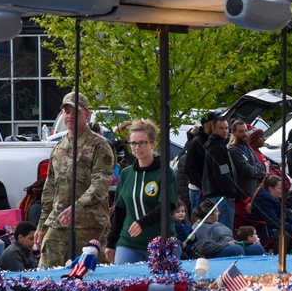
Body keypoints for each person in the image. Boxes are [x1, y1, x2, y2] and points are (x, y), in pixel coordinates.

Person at [35, 93, 116, 269]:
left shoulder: (99, 145)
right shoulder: (59, 147)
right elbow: (50, 188)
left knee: (93, 278)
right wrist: (42, 224)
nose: (70, 116)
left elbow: (101, 184)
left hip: (90, 225)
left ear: (87, 114)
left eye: (75, 112)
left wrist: (78, 207)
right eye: (66, 111)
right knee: (46, 274)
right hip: (58, 222)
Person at [107, 119, 178, 265]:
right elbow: (120, 211)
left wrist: (142, 223)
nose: (137, 147)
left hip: (160, 241)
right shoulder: (126, 174)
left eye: (142, 143)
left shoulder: (165, 172)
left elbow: (167, 205)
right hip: (128, 243)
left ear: (152, 144)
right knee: (122, 283)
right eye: (133, 143)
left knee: (161, 285)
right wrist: (111, 242)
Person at [201, 116, 241, 232]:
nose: (225, 131)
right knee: (225, 230)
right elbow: (222, 171)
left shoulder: (217, 145)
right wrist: (231, 191)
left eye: (227, 128)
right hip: (221, 195)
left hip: (218, 193)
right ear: (214, 129)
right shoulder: (217, 147)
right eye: (221, 128)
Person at [249, 174, 292, 248]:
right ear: (271, 188)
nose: (282, 191)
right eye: (280, 188)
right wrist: (291, 229)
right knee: (285, 235)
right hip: (264, 230)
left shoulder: (276, 198)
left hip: (274, 227)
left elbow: (285, 215)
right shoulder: (263, 200)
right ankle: (279, 256)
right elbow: (272, 220)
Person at [229, 119, 266, 204]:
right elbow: (248, 171)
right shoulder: (233, 151)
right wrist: (255, 170)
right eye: (241, 131)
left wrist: (254, 170)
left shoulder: (248, 148)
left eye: (246, 130)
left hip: (253, 194)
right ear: (234, 133)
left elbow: (261, 168)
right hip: (243, 196)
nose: (245, 134)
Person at [182, 114, 215, 211]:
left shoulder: (212, 141)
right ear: (207, 125)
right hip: (199, 191)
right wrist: (203, 185)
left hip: (210, 190)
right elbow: (188, 167)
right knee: (200, 220)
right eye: (214, 123)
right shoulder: (196, 142)